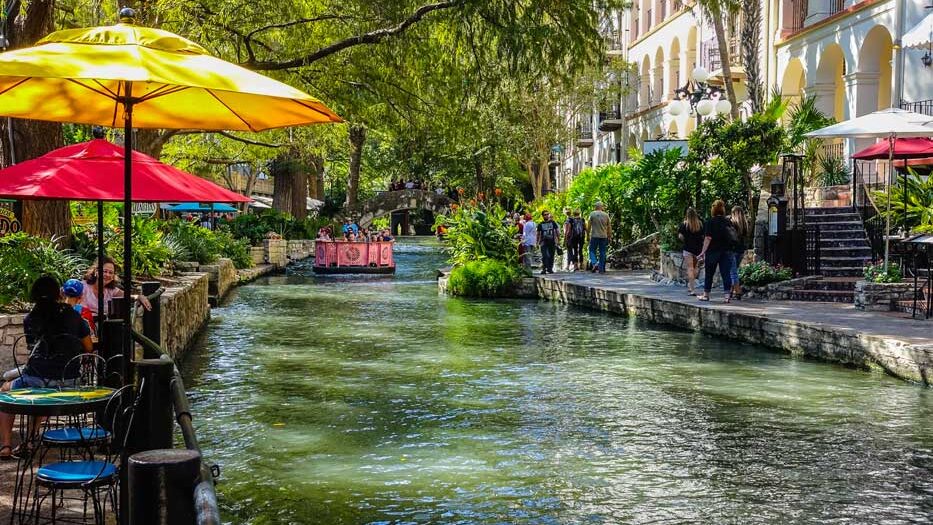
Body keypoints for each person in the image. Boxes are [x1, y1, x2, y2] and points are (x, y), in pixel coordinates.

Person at [1, 276, 94, 460]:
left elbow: (33, 349)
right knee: (43, 389)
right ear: (58, 293)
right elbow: (89, 348)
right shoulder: (73, 315)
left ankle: (5, 445)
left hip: (37, 380)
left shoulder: (30, 319)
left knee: (5, 392)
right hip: (69, 381)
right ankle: (30, 439)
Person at [698, 200, 737, 303]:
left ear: (713, 209)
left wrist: (702, 252)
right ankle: (727, 296)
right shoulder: (728, 221)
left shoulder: (710, 222)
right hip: (726, 250)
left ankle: (706, 295)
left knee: (709, 273)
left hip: (712, 251)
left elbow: (708, 238)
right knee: (726, 273)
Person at [678, 207, 705, 296]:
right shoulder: (700, 224)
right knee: (695, 267)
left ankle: (692, 289)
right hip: (698, 250)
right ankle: (691, 286)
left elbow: (680, 236)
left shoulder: (684, 225)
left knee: (690, 268)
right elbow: (704, 236)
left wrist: (685, 239)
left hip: (688, 249)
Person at [730, 205, 749, 300]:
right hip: (741, 250)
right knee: (734, 271)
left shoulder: (732, 223)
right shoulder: (745, 224)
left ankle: (737, 292)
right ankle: (731, 291)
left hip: (732, 250)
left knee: (732, 272)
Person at [587, 202, 611, 273]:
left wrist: (587, 235)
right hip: (604, 236)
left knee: (591, 250)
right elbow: (609, 227)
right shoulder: (606, 215)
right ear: (601, 207)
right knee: (603, 252)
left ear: (596, 207)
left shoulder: (592, 214)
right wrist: (609, 236)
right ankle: (601, 269)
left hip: (594, 235)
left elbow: (588, 226)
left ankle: (595, 263)